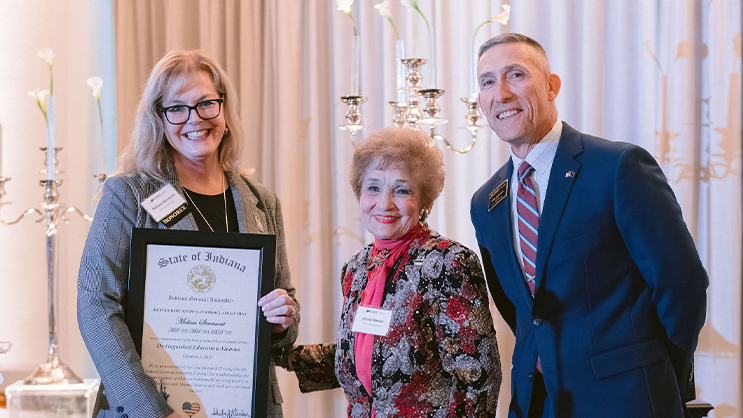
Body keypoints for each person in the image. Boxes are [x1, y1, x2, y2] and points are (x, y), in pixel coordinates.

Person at [470, 33, 708, 418]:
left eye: (516, 75)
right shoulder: (485, 202)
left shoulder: (618, 167)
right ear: (480, 101)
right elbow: (522, 312)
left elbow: (683, 287)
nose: (502, 93)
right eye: (487, 81)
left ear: (551, 86)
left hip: (629, 401)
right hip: (536, 405)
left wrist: (660, 374)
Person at [77, 49, 299, 418]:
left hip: (245, 406)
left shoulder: (263, 202)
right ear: (159, 119)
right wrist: (154, 411)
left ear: (224, 110)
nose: (194, 119)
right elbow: (95, 304)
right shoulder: (130, 195)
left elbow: (283, 309)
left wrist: (283, 318)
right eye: (176, 108)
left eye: (206, 104)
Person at [276, 127, 501, 417]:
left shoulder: (449, 263)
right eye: (373, 187)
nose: (384, 202)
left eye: (402, 189)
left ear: (425, 201)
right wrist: (270, 349)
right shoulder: (357, 268)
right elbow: (366, 356)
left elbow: (479, 379)